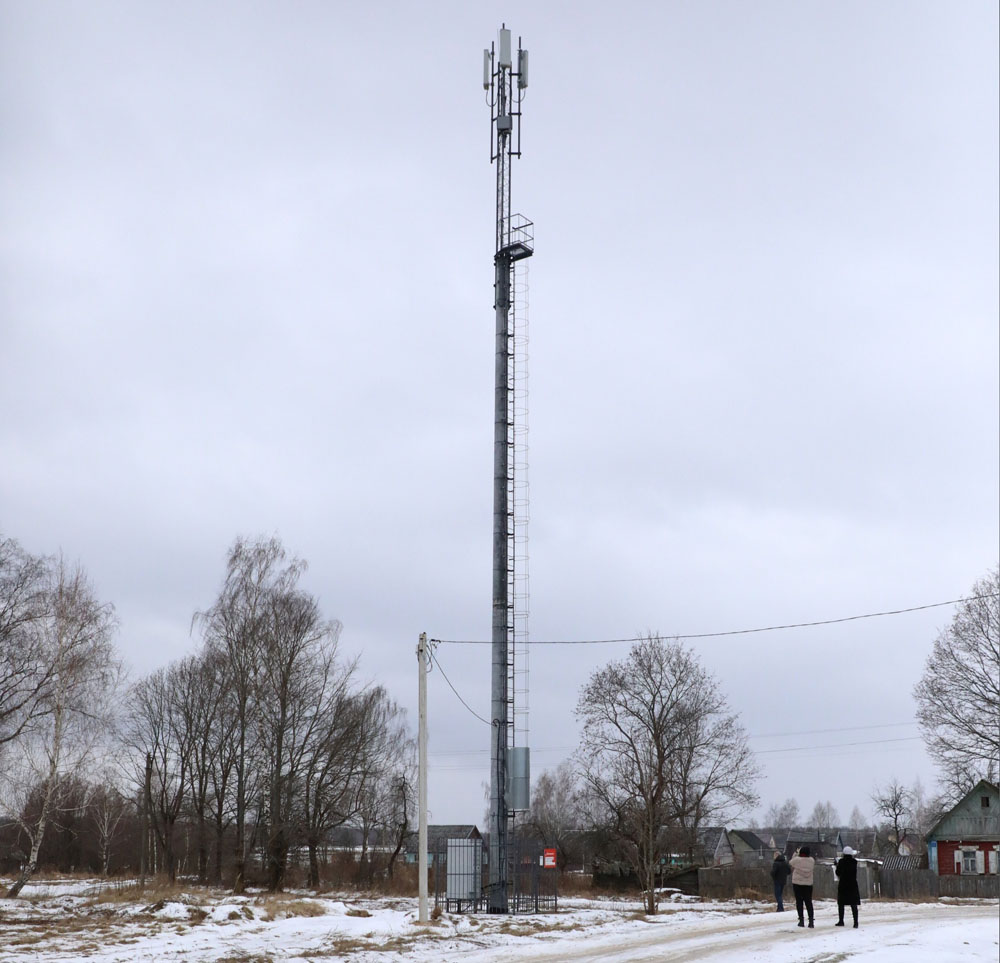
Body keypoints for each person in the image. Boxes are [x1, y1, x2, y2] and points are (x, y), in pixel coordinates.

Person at [788, 845, 815, 928]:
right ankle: (811, 921)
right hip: (808, 884)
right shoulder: (812, 861)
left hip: (797, 883)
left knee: (799, 902)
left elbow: (790, 862)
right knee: (808, 902)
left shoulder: (797, 860)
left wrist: (796, 854)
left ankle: (801, 920)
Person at [835, 845, 861, 928]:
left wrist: (837, 865)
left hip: (843, 884)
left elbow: (838, 872)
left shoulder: (841, 862)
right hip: (853, 884)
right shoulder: (854, 862)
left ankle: (841, 921)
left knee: (841, 904)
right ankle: (855, 922)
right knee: (853, 904)